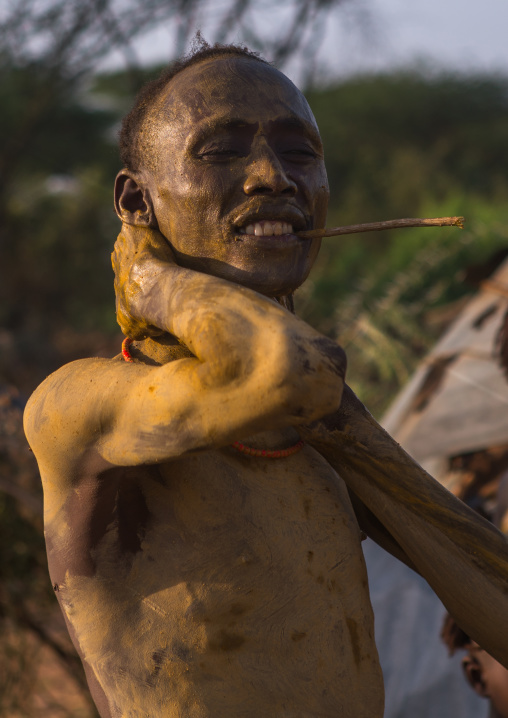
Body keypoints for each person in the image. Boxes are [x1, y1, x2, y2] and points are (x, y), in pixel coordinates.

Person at [23, 41, 508, 718]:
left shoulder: (317, 418)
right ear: (136, 201)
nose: (272, 177)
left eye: (298, 151)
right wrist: (152, 281)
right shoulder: (81, 404)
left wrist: (346, 430)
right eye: (221, 151)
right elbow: (279, 373)